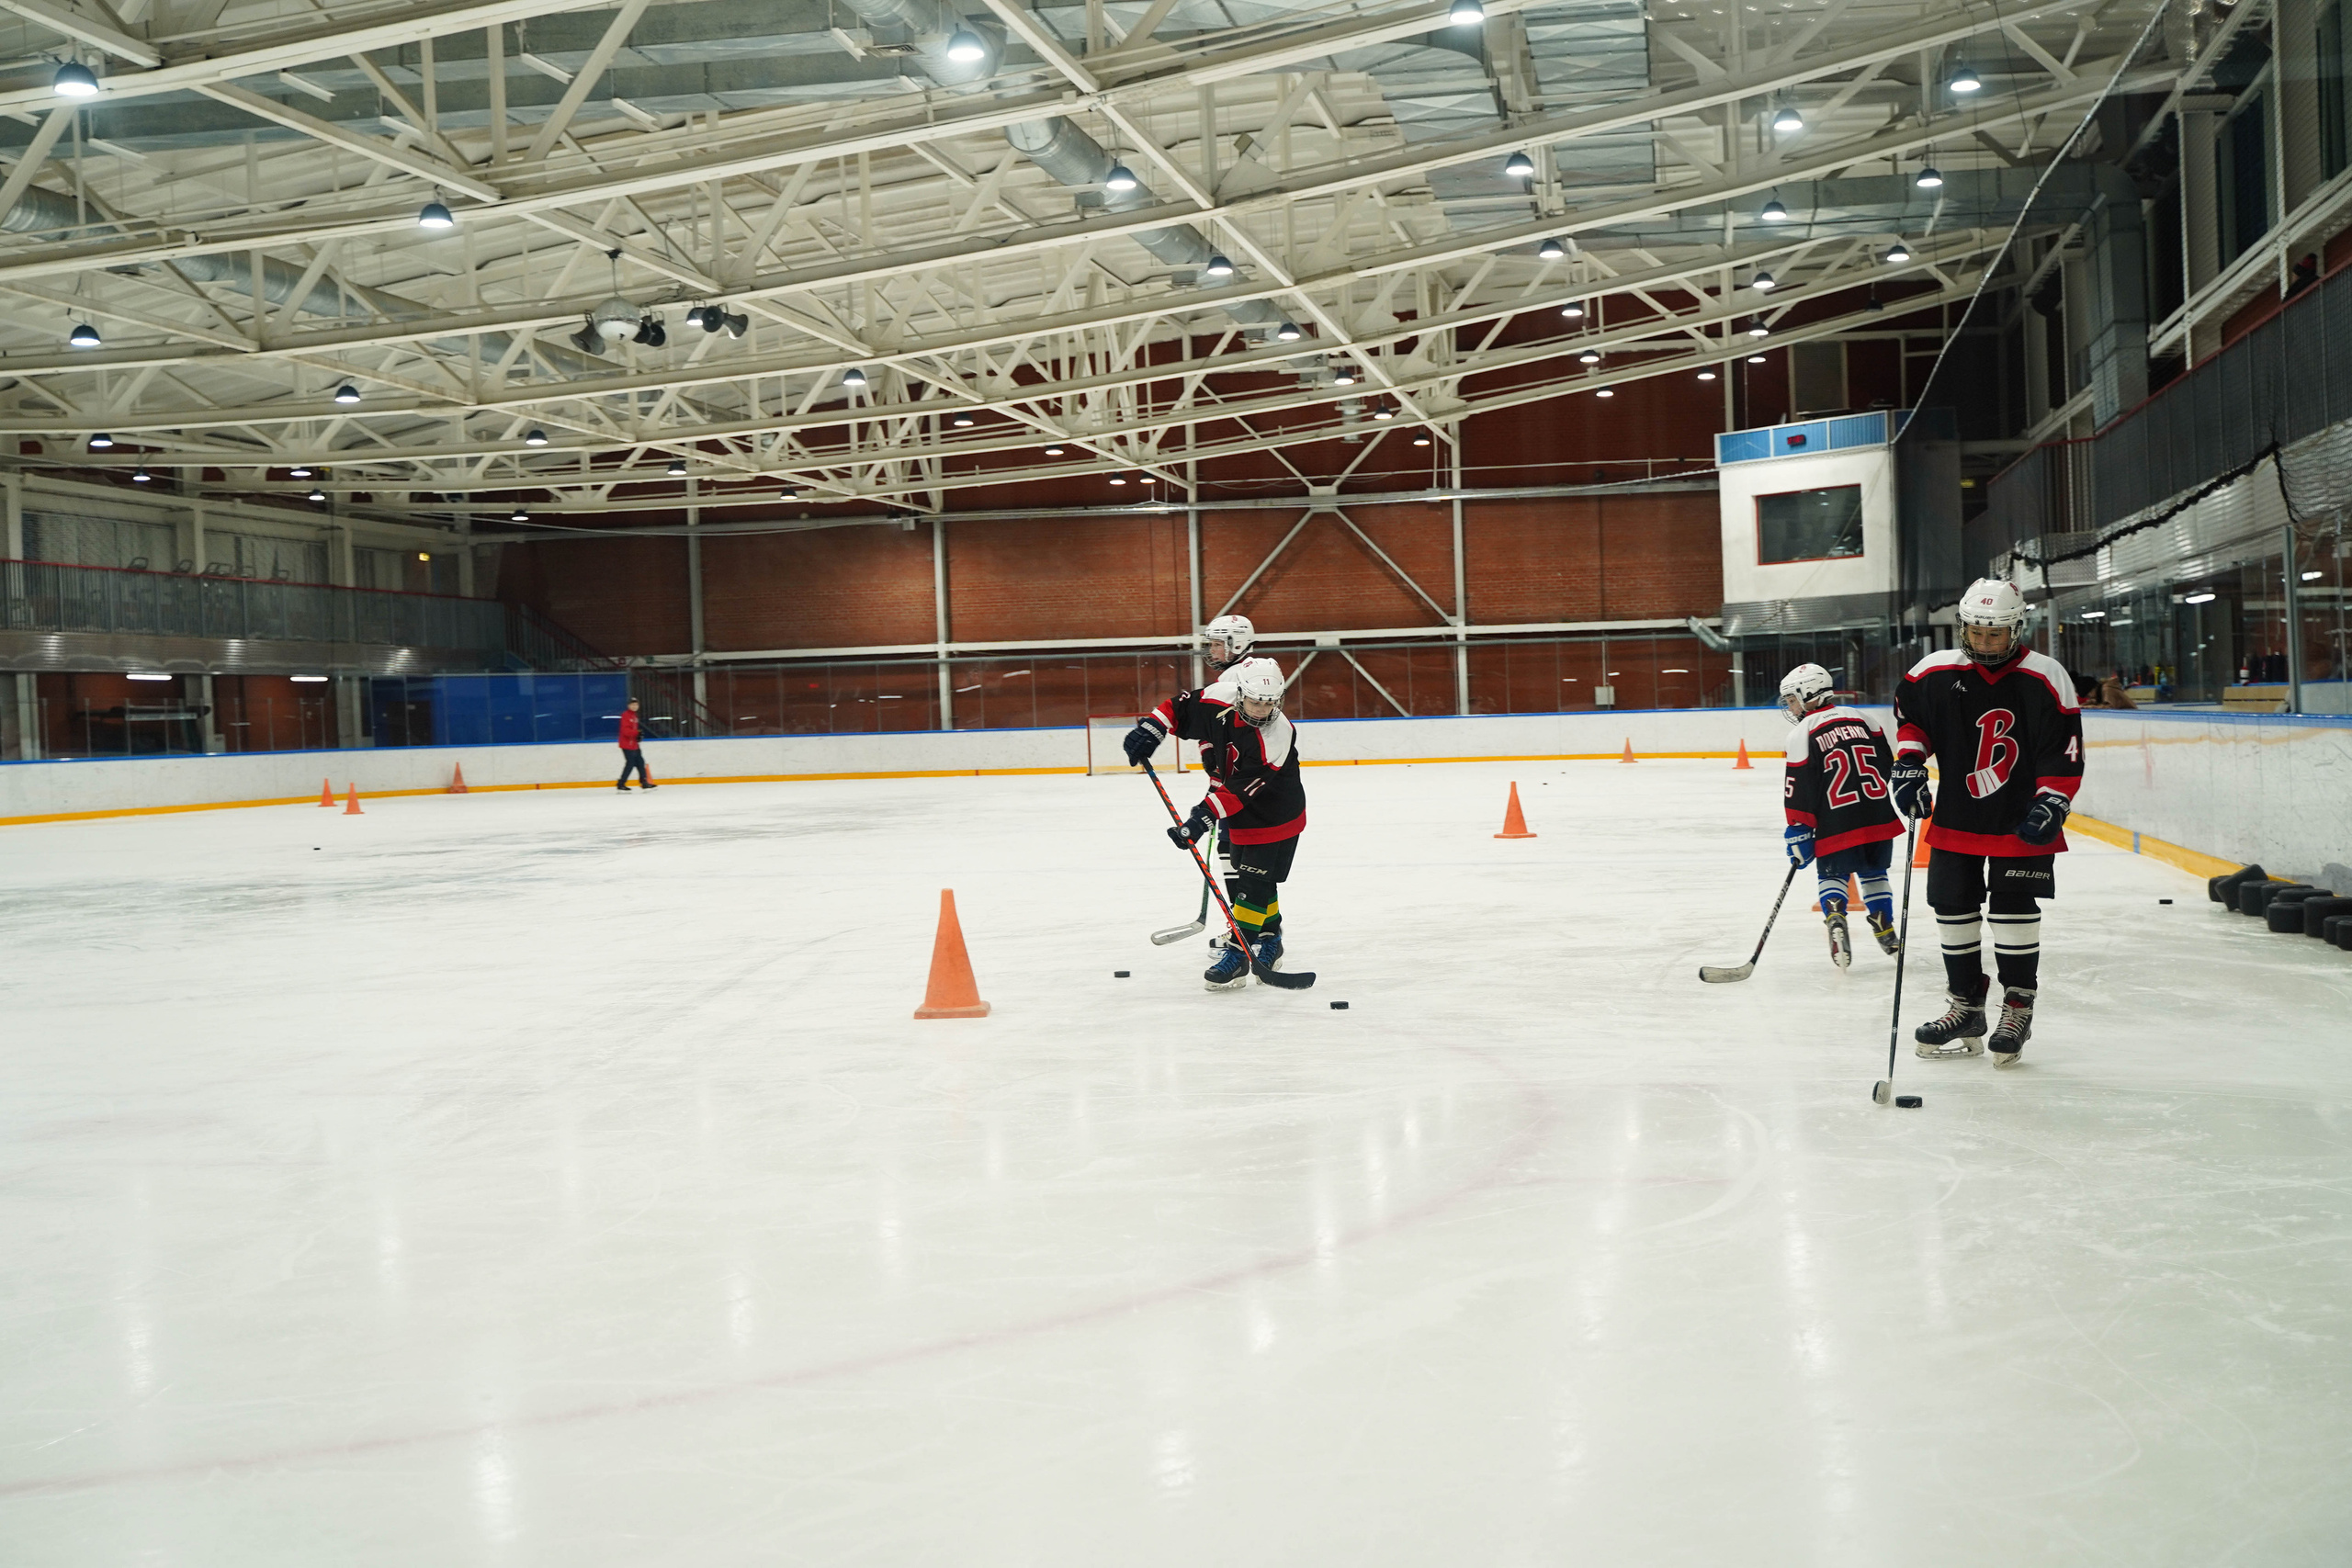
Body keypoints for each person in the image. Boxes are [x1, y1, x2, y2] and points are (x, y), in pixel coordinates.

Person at [1890, 579, 2083, 1066]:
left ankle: (2017, 1006)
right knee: (1951, 906)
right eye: (1975, 632)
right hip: (1958, 816)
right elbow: (1913, 722)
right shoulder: (1933, 672)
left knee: (2012, 911)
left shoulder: (2046, 676)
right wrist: (1910, 763)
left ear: (2017, 628)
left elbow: (2063, 750)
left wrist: (2054, 802)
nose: (1983, 642)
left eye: (1994, 634)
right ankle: (1966, 1006)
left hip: (2022, 819)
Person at [1124, 657, 1305, 990]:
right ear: (1240, 694)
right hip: (1239, 813)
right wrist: (1152, 728)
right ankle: (1271, 940)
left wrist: (1199, 820)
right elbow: (1180, 708)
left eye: (1269, 703)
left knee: (1252, 883)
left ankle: (1238, 955)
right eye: (1254, 702)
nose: (1262, 711)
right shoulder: (1219, 696)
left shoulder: (1278, 735)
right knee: (1251, 878)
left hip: (1276, 813)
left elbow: (1238, 791)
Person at [1778, 663, 1905, 968]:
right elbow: (1888, 765)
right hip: (1877, 815)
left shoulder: (1801, 733)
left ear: (1809, 693)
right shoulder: (1866, 719)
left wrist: (1799, 828)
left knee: (1832, 874)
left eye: (1793, 699)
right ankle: (1884, 926)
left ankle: (1836, 918)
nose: (1791, 706)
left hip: (1835, 820)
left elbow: (1798, 789)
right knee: (1875, 874)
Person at [616, 697, 656, 791]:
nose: (634, 706)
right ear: (628, 706)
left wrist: (637, 736)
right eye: (632, 705)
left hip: (634, 744)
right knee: (630, 763)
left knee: (640, 762)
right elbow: (625, 731)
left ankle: (644, 782)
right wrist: (636, 733)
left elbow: (633, 731)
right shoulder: (625, 715)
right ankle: (621, 783)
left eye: (636, 705)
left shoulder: (634, 716)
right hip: (627, 745)